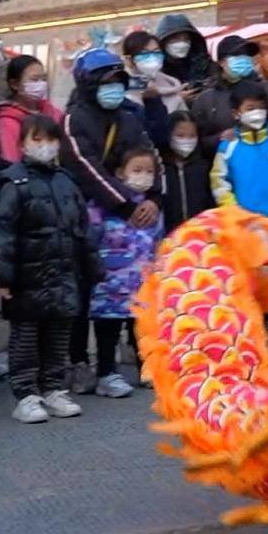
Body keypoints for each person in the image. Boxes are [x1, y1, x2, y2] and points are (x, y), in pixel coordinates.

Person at [59, 49, 161, 392]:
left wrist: (153, 198)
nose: (114, 88)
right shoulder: (75, 119)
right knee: (85, 292)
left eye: (119, 81)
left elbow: (149, 157)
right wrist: (126, 205)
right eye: (107, 82)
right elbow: (87, 168)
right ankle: (78, 362)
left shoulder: (128, 117)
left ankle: (136, 357)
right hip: (85, 217)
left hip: (128, 218)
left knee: (132, 292)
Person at [0, 115, 101, 424]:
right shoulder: (14, 183)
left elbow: (82, 227)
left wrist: (93, 266)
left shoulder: (66, 181)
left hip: (64, 275)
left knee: (58, 337)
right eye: (37, 140)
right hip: (28, 277)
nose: (45, 146)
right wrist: (2, 275)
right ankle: (25, 395)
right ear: (22, 143)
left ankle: (54, 389)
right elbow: (2, 233)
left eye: (51, 140)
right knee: (25, 338)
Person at [211, 82, 268, 356]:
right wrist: (234, 213)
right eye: (250, 108)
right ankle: (252, 330)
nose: (257, 113)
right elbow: (219, 182)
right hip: (245, 225)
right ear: (236, 113)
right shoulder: (227, 146)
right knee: (248, 279)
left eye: (261, 108)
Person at [86, 145, 163, 395]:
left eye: (149, 171)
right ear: (120, 173)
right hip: (109, 283)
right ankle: (106, 374)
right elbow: (91, 238)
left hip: (141, 283)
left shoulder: (152, 208)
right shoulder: (103, 205)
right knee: (108, 329)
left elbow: (159, 242)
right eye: (137, 170)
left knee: (140, 328)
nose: (143, 176)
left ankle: (147, 369)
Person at [190, 35, 263, 152]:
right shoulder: (206, 98)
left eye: (247, 56)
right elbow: (196, 140)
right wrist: (219, 138)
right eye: (239, 56)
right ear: (222, 62)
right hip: (220, 161)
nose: (245, 60)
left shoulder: (262, 89)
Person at [0, 55, 61, 164]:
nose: (41, 84)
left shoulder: (52, 111)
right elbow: (11, 161)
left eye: (43, 79)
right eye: (34, 80)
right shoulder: (8, 121)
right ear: (15, 84)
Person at [160, 111, 216, 233]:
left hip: (199, 234)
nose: (186, 140)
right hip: (167, 236)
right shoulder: (160, 168)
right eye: (180, 135)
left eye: (192, 136)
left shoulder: (205, 166)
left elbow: (211, 203)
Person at [156, 13, 217, 95]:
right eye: (175, 39)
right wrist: (176, 99)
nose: (182, 44)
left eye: (186, 39)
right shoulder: (156, 71)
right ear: (163, 43)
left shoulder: (205, 65)